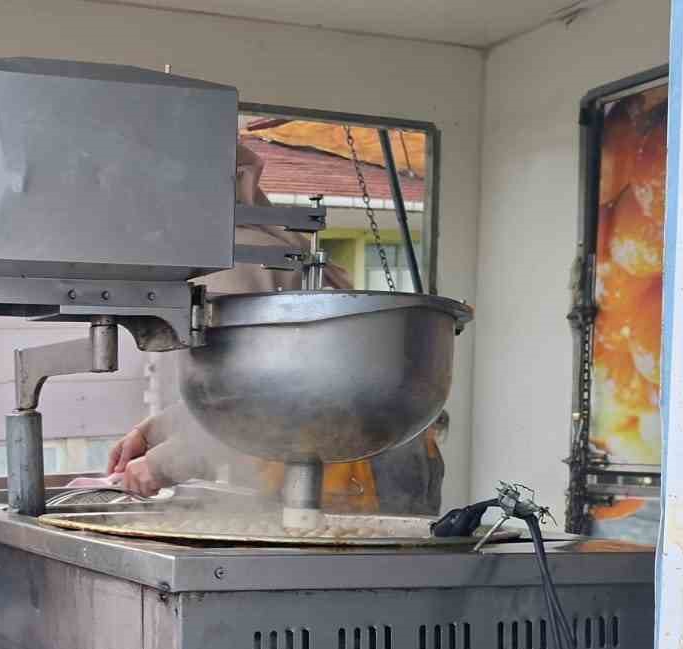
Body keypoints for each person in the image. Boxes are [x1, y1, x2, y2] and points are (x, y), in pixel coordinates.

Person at [107, 143, 446, 516]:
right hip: (356, 446)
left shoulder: (234, 256)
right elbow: (233, 389)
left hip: (360, 463)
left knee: (368, 565)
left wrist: (161, 465)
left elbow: (256, 408)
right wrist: (154, 431)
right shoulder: (260, 240)